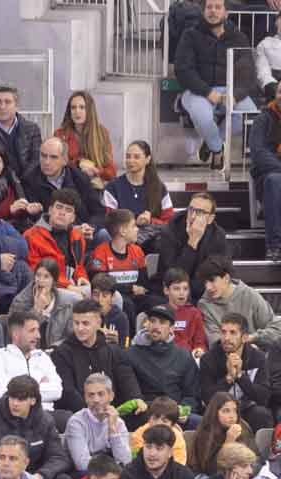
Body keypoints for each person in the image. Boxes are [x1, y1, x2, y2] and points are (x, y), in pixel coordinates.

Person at [175, 0, 255, 171]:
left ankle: (210, 141)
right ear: (203, 11)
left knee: (247, 114)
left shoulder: (239, 37)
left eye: (218, 7)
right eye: (209, 7)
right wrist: (207, 92)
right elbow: (183, 70)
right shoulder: (190, 35)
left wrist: (235, 95)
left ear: (226, 13)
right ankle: (218, 150)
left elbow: (247, 73)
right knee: (202, 116)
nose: (213, 11)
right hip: (198, 91)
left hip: (229, 90)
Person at [0, 375, 70, 479]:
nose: (15, 403)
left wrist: (42, 475)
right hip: (2, 474)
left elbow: (58, 457)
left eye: (21, 399)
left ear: (33, 400)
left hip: (35, 476)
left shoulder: (45, 421)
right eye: (12, 397)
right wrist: (11, 471)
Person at [50, 299, 144, 416]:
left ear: (98, 323)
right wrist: (93, 413)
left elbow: (126, 379)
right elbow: (68, 392)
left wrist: (136, 398)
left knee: (144, 411)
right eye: (76, 323)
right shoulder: (62, 353)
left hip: (113, 412)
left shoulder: (113, 350)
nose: (80, 328)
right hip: (80, 415)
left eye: (85, 323)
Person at [198, 314, 274, 432]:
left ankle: (260, 451)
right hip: (219, 410)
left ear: (244, 337)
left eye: (233, 333)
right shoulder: (208, 359)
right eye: (223, 332)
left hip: (246, 408)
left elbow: (263, 397)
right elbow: (207, 398)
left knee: (262, 414)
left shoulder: (258, 358)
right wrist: (229, 378)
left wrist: (239, 376)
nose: (226, 338)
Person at [125, 305, 200, 417]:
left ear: (171, 328)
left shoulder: (184, 356)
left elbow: (192, 396)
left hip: (175, 414)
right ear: (146, 324)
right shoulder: (130, 354)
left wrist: (182, 410)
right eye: (153, 321)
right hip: (144, 413)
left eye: (162, 322)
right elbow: (129, 393)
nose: (156, 326)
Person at [102, 140, 174, 250]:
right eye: (128, 156)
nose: (130, 161)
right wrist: (134, 223)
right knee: (103, 234)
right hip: (122, 236)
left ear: (148, 159)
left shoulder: (159, 188)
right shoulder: (113, 187)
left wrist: (150, 221)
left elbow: (169, 221)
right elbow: (109, 221)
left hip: (151, 237)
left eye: (136, 157)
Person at [155, 192, 227, 297]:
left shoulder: (217, 235)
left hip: (205, 291)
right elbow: (174, 277)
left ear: (210, 219)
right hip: (172, 293)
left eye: (199, 212)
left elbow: (219, 271)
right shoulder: (170, 230)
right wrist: (192, 242)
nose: (192, 216)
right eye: (191, 210)